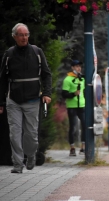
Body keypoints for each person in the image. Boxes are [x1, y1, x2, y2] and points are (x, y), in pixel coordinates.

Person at [0, 23, 52, 173]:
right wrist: (1, 102)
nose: (24, 38)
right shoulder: (9, 54)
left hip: (33, 99)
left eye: (26, 35)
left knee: (31, 135)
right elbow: (2, 79)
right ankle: (17, 164)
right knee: (14, 133)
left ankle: (30, 156)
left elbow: (46, 75)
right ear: (14, 36)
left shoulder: (37, 52)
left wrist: (47, 93)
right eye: (21, 35)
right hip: (13, 100)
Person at [62, 60, 86, 156]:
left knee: (85, 125)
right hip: (72, 106)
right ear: (72, 67)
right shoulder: (67, 79)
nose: (78, 68)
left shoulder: (83, 79)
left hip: (82, 105)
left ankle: (83, 147)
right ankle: (72, 148)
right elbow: (64, 94)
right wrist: (73, 94)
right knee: (73, 127)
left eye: (79, 66)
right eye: (76, 66)